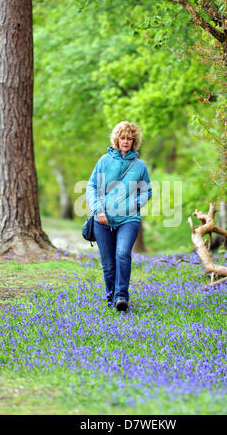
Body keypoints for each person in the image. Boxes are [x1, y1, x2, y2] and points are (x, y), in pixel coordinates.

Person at [86, 121, 152, 311]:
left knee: (122, 254)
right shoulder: (104, 161)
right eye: (123, 138)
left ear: (134, 141)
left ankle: (121, 297)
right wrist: (98, 210)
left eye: (130, 139)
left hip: (128, 219)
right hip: (102, 219)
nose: (126, 142)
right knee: (108, 264)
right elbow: (92, 187)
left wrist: (133, 206)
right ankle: (111, 298)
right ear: (116, 139)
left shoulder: (140, 166)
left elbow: (146, 191)